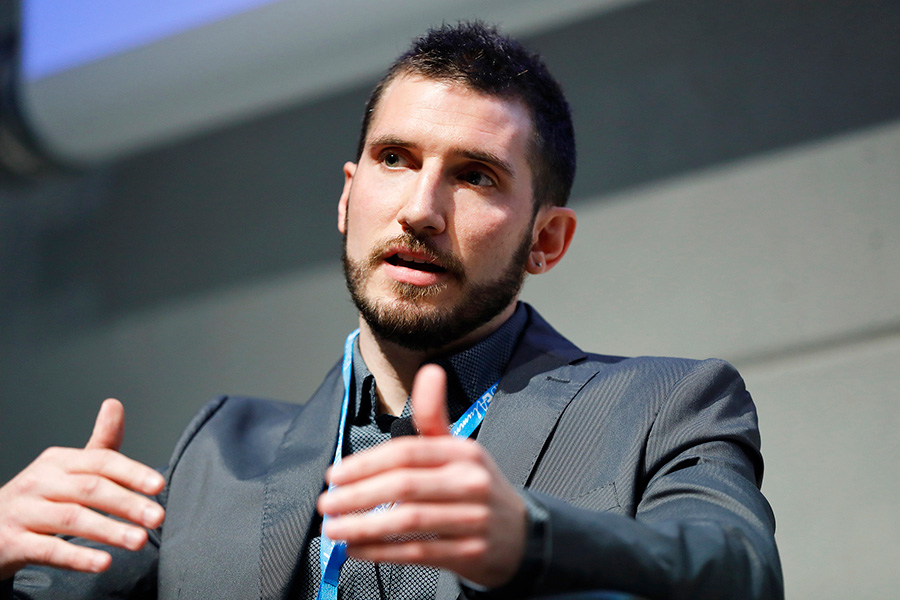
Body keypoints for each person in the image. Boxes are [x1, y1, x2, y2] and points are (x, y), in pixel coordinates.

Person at [0, 22, 783, 600]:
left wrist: (528, 539)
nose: (420, 210)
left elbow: (737, 572)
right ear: (348, 198)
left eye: (474, 176)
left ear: (546, 240)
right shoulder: (216, 454)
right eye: (395, 159)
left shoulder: (661, 408)